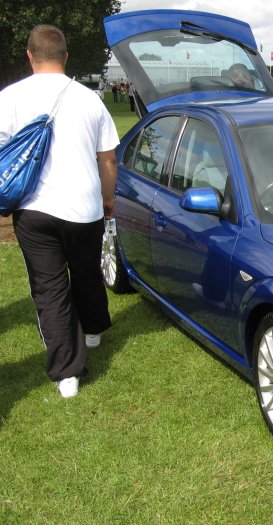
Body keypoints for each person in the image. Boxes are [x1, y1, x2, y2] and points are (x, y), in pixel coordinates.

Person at [0, 25, 120, 398]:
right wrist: (108, 199)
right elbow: (108, 161)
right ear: (66, 57)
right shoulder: (89, 99)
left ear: (30, 56)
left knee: (49, 288)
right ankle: (94, 329)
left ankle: (67, 373)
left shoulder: (9, 98)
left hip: (33, 208)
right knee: (85, 272)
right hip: (84, 206)